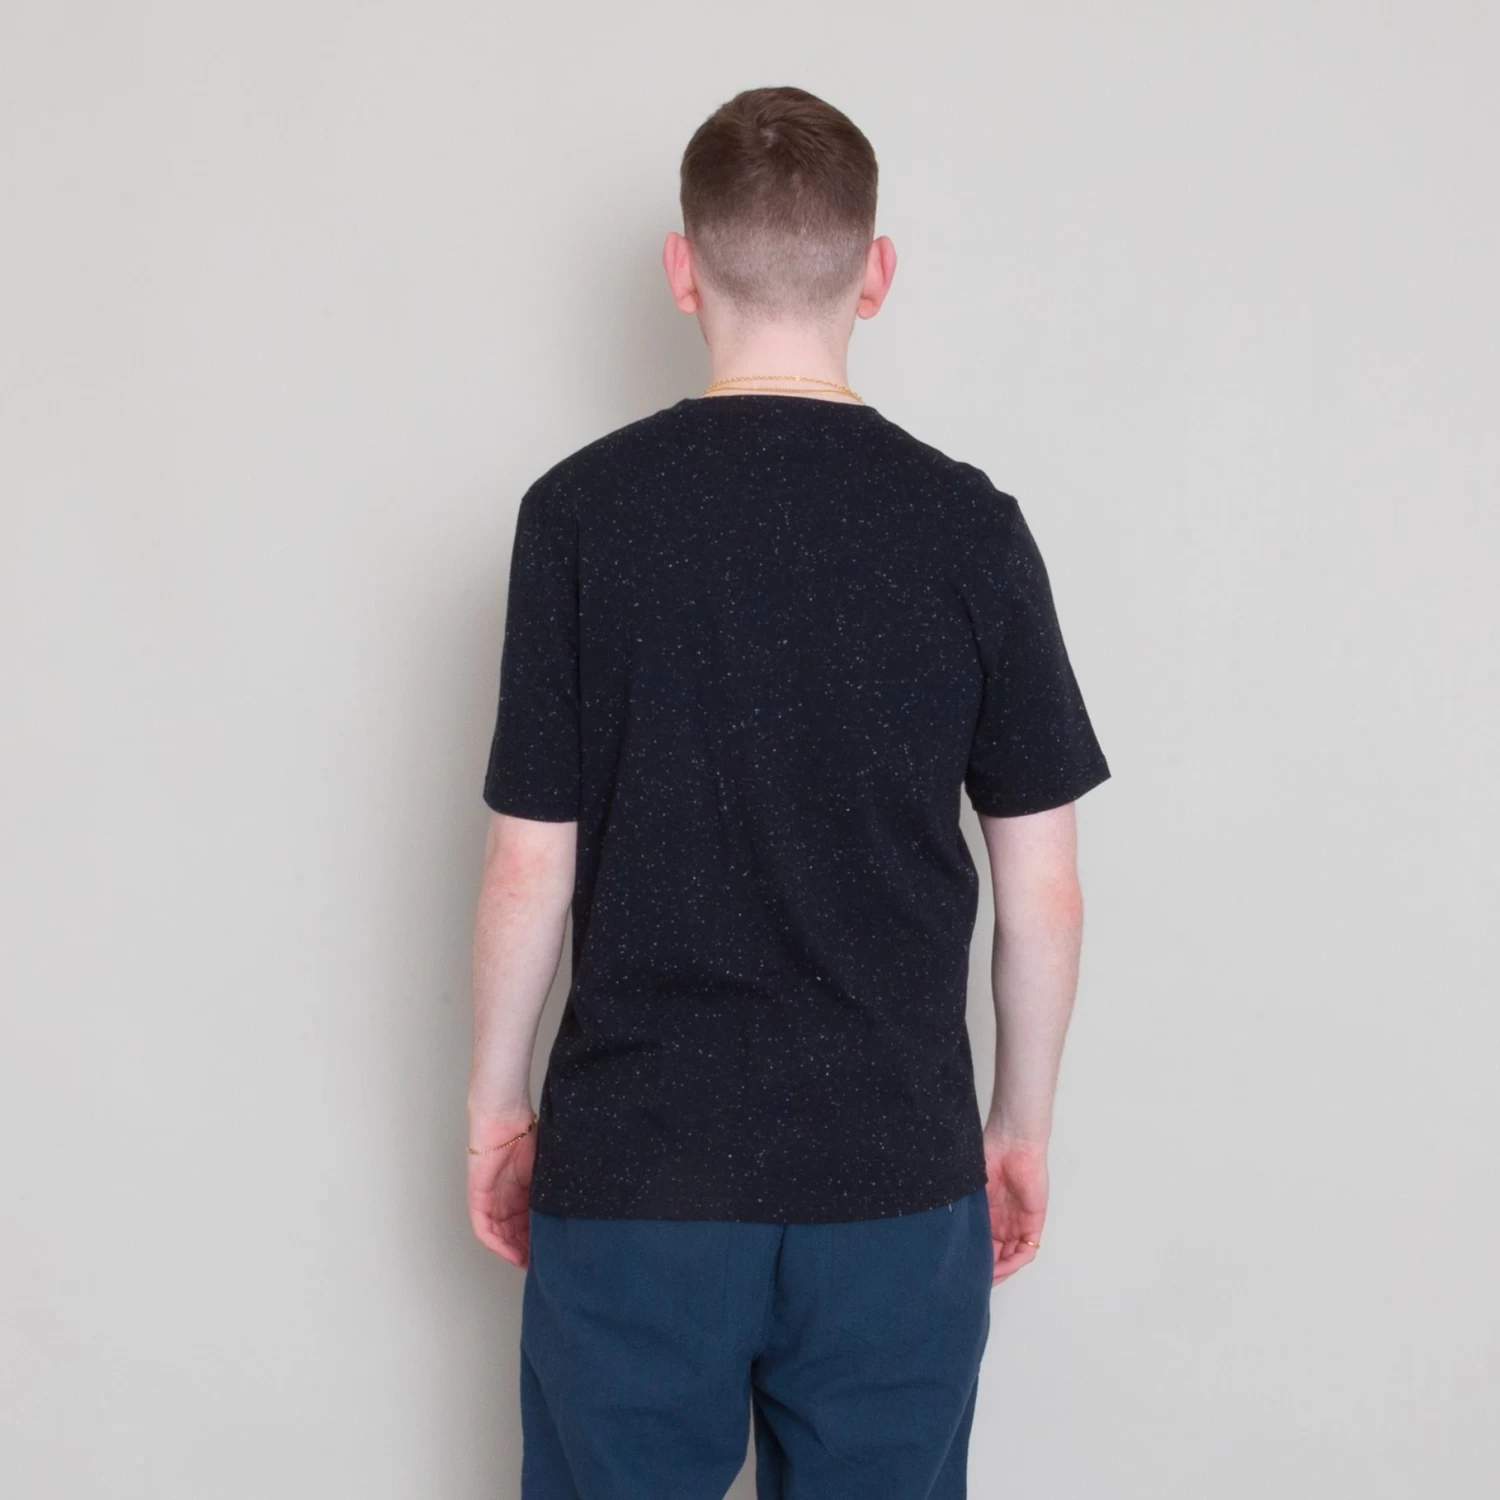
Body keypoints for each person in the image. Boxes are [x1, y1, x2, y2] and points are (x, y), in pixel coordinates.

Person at [466, 84, 1111, 1500]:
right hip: (894, 1177)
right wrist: (1018, 1128)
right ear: (876, 273)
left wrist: (497, 1108)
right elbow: (1043, 891)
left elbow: (528, 868)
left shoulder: (577, 517)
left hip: (637, 1175)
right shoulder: (971, 529)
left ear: (681, 267)